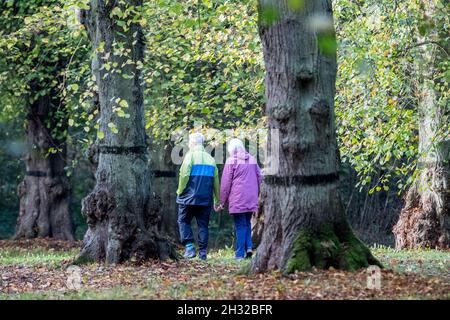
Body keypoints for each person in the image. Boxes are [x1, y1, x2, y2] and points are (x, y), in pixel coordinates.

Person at [176, 132, 220, 260]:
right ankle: (203, 252)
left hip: (188, 197)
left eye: (189, 142)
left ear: (193, 143)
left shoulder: (190, 156)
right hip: (205, 198)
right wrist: (217, 199)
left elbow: (184, 176)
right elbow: (216, 182)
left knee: (183, 220)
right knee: (203, 225)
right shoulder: (211, 159)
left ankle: (189, 247)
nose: (189, 144)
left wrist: (180, 190)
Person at [219, 138, 262, 260]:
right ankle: (248, 248)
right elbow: (260, 177)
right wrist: (256, 193)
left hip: (238, 198)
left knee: (240, 225)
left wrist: (222, 201)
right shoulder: (252, 160)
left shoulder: (231, 161)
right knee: (247, 223)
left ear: (232, 150)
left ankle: (239, 254)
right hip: (251, 197)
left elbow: (226, 183)